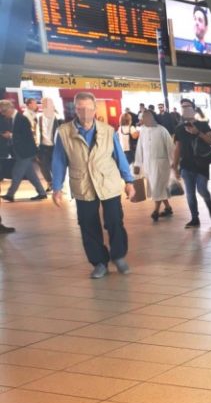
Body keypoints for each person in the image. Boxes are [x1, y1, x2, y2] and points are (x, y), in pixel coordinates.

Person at [51, 92, 137, 278]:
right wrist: (56, 187)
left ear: (94, 108)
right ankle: (99, 262)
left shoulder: (107, 130)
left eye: (88, 108)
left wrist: (128, 181)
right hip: (83, 184)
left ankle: (119, 256)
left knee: (114, 221)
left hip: (108, 182)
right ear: (75, 109)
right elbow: (58, 161)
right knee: (88, 225)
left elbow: (119, 157)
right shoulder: (64, 132)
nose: (85, 112)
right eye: (80, 108)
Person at [172, 98, 211, 228]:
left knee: (202, 189)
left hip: (202, 164)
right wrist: (175, 166)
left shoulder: (203, 125)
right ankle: (194, 218)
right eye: (183, 107)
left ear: (193, 108)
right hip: (186, 165)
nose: (185, 109)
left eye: (188, 106)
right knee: (190, 194)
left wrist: (198, 133)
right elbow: (178, 148)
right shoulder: (179, 129)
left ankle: (209, 204)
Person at [0, 100, 47, 202]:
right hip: (22, 152)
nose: (3, 115)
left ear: (9, 110)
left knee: (16, 173)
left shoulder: (21, 119)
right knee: (31, 175)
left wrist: (11, 135)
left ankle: (10, 194)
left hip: (25, 152)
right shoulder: (16, 119)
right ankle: (42, 193)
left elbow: (26, 136)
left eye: (3, 112)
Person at [134, 109, 175, 222]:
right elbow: (139, 147)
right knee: (157, 187)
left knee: (157, 187)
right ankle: (167, 207)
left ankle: (156, 211)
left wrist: (173, 162)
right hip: (148, 165)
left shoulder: (162, 130)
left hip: (162, 164)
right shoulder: (143, 130)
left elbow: (170, 147)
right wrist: (137, 164)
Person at [36, 97, 62, 190]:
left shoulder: (58, 117)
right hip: (43, 146)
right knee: (43, 166)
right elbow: (36, 131)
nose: (45, 105)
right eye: (43, 104)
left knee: (55, 166)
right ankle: (50, 182)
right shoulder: (39, 117)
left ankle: (57, 185)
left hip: (55, 146)